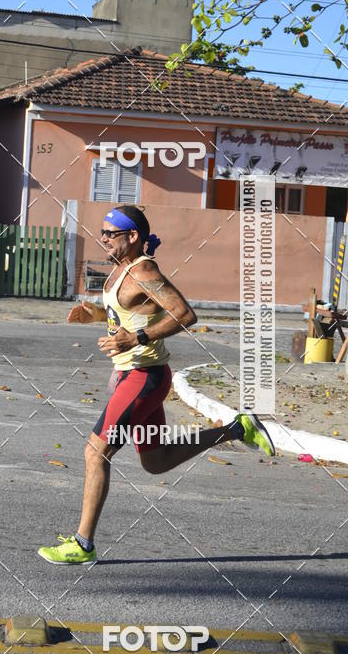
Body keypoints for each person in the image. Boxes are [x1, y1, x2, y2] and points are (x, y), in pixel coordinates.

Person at [38, 205, 275, 565]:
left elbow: (185, 314)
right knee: (156, 462)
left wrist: (136, 339)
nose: (102, 239)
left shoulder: (143, 270)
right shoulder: (122, 269)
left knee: (95, 452)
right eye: (101, 232)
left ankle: (83, 544)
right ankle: (235, 429)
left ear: (132, 237)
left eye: (110, 234)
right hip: (138, 376)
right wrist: (96, 314)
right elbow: (129, 312)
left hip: (142, 378)